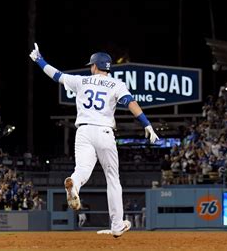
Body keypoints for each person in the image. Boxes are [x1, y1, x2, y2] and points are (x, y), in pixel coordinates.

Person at [29, 43, 159, 238]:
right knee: (113, 179)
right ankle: (116, 225)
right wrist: (146, 124)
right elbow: (131, 103)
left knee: (82, 170)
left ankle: (74, 183)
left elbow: (56, 75)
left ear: (95, 66)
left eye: (91, 65)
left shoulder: (82, 81)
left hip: (83, 132)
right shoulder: (116, 84)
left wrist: (40, 60)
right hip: (104, 132)